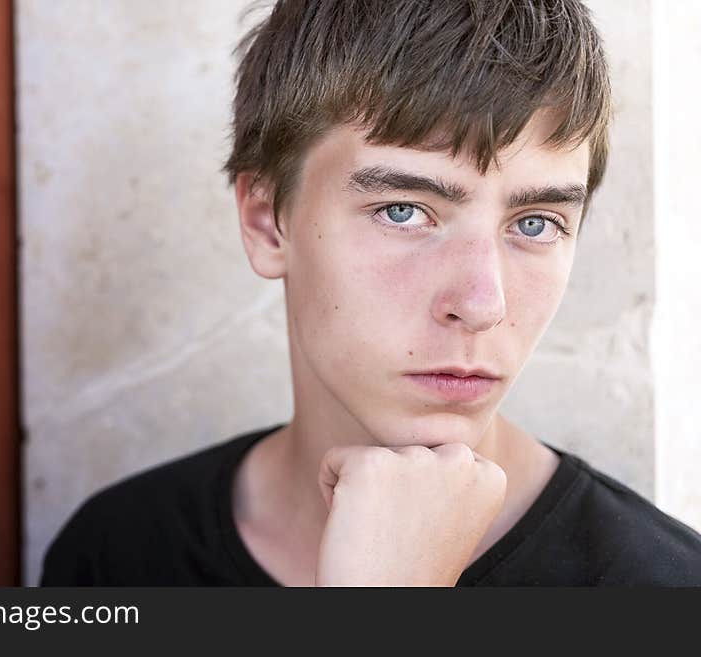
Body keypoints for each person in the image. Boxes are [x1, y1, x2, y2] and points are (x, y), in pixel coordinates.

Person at [40, 0, 701, 586]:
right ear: (267, 220)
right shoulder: (119, 556)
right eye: (404, 211)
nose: (481, 302)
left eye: (535, 224)